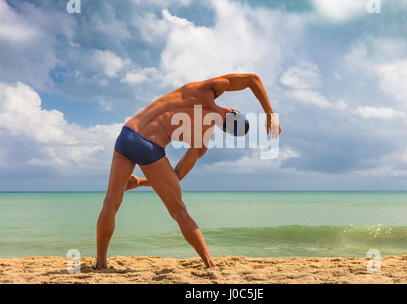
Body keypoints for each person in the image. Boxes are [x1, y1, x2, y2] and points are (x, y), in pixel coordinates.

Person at [95, 73, 281, 269]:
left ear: (232, 110)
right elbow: (176, 176)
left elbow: (253, 79)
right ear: (225, 130)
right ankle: (210, 264)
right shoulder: (203, 139)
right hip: (151, 147)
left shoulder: (204, 90)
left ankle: (100, 263)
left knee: (111, 202)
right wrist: (144, 182)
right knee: (179, 211)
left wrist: (269, 113)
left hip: (128, 134)